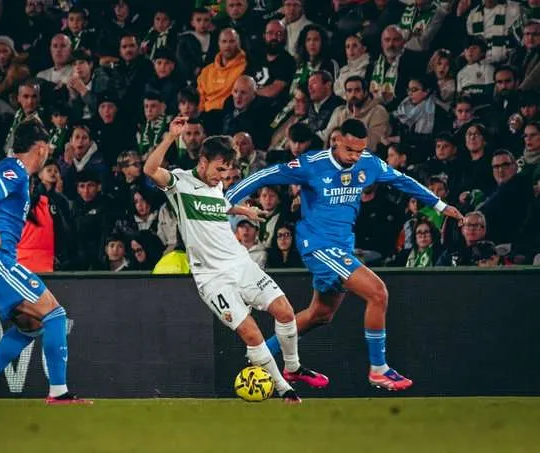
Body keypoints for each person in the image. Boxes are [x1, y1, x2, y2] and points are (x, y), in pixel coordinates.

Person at [225, 118, 464, 390]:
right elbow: (266, 175)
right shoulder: (312, 164)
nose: (354, 157)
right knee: (378, 293)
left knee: (320, 314)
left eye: (360, 151)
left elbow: (402, 180)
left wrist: (440, 206)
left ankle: (262, 357)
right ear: (336, 141)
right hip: (318, 245)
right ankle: (379, 370)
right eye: (350, 150)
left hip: (342, 246)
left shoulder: (368, 164)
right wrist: (226, 199)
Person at [144, 116, 328, 404]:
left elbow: (220, 205)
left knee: (285, 311)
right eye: (218, 169)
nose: (221, 177)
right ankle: (284, 389)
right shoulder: (180, 182)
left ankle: (293, 369)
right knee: (251, 334)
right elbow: (150, 169)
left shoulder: (216, 186)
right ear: (203, 162)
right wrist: (170, 137)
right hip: (212, 278)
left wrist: (244, 211)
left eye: (226, 170)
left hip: (240, 264)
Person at [0, 121, 89, 405]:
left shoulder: (12, 171)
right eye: (48, 149)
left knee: (30, 326)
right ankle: (59, 392)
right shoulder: (15, 169)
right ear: (40, 149)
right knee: (54, 314)